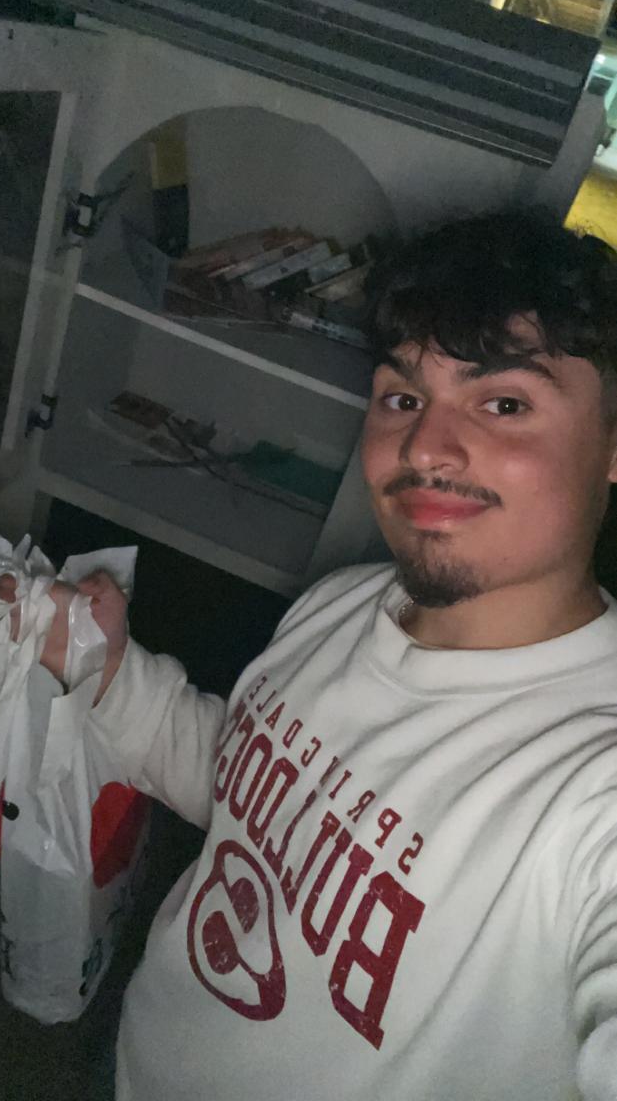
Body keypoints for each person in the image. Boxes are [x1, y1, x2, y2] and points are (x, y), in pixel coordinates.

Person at [45, 212, 617, 1101]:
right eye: (402, 397)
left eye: (504, 404)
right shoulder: (342, 602)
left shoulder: (589, 786)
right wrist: (105, 669)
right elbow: (254, 805)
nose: (423, 447)